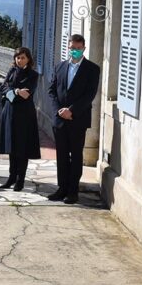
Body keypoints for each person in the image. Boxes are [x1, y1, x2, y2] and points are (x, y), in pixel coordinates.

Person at [47, 34, 101, 205]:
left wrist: (71, 111)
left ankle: (73, 191)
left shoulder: (92, 69)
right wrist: (58, 111)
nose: (74, 51)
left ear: (83, 48)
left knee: (76, 155)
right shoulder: (60, 67)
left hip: (78, 119)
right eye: (72, 48)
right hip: (59, 120)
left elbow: (89, 94)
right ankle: (61, 188)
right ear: (68, 48)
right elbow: (52, 91)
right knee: (61, 155)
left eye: (78, 48)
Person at [0, 47, 41, 191]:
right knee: (11, 146)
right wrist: (16, 91)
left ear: (28, 59)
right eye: (18, 57)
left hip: (24, 115)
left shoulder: (33, 75)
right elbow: (2, 87)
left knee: (22, 148)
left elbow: (27, 94)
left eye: (23, 58)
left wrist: (11, 93)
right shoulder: (12, 71)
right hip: (9, 112)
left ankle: (20, 180)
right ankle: (11, 177)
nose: (20, 60)